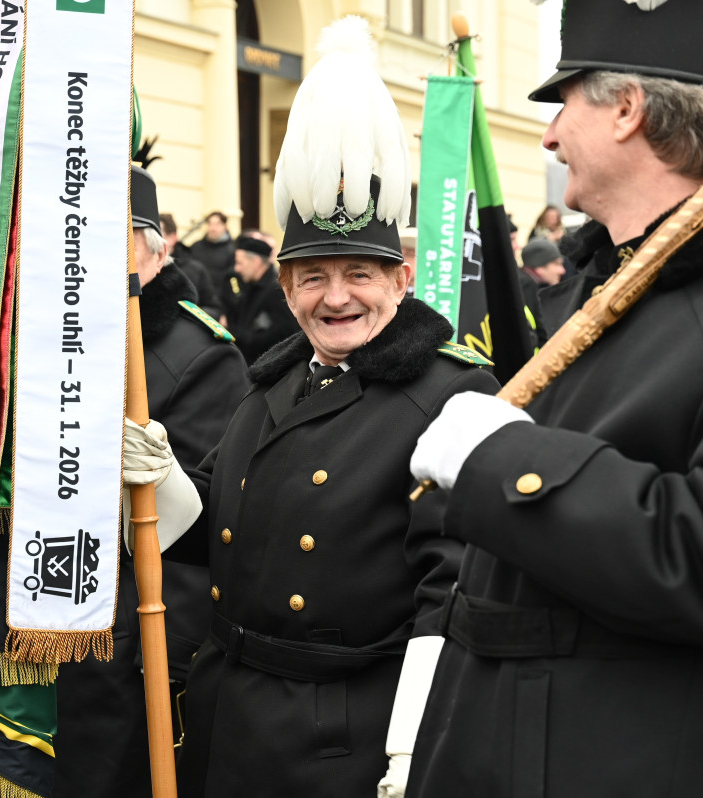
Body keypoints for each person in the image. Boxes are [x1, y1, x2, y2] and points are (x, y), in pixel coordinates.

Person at [399, 2, 703, 796]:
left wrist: (504, 461)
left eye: (565, 103)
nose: (550, 136)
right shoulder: (603, 285)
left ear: (627, 109)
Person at [121, 16, 498, 797]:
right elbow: (215, 537)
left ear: (400, 279)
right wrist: (160, 478)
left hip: (344, 746)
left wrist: (413, 749)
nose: (336, 298)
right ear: (287, 287)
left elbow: (455, 593)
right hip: (228, 720)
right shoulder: (271, 384)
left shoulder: (452, 394)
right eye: (313, 276)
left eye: (359, 273)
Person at [54, 166, 249, 798]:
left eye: (112, 243)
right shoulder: (42, 339)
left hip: (124, 642)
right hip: (34, 622)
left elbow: (200, 517)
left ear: (156, 253)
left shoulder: (198, 354)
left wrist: (172, 660)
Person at [223, 234, 301, 364]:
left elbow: (284, 334)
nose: (236, 269)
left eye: (240, 263)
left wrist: (241, 337)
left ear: (256, 262)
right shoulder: (251, 286)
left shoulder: (277, 290)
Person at [160, 211, 222, 317]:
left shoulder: (195, 270)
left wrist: (187, 316)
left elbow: (214, 309)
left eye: (158, 235)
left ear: (172, 238)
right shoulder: (143, 268)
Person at [189, 210, 236, 299]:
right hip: (197, 296)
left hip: (221, 299)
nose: (213, 228)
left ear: (225, 226)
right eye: (210, 224)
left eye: (217, 224)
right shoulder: (196, 247)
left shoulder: (233, 249)